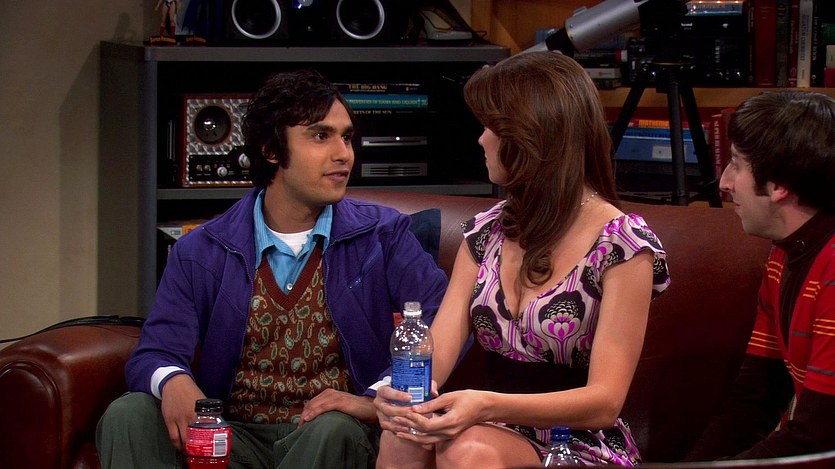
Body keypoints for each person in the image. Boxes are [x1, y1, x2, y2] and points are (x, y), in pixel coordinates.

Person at [95, 69, 448, 469]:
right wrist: (173, 380)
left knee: (334, 429)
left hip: (332, 435)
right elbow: (155, 352)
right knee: (129, 413)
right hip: (235, 436)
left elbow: (445, 317)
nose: (344, 154)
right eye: (321, 136)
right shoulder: (201, 250)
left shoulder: (382, 235)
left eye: (346, 137)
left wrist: (377, 396)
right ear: (271, 150)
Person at [373, 51, 671, 468]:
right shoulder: (484, 233)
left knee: (469, 451)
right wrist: (396, 395)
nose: (481, 140)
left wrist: (486, 405)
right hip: (486, 423)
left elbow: (604, 403)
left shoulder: (623, 246)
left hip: (576, 439)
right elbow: (435, 357)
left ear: (530, 137)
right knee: (403, 436)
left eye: (491, 128)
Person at [686, 91, 835, 460]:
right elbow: (756, 398)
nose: (724, 183)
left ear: (779, 185)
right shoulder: (785, 251)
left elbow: (819, 437)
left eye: (736, 165)